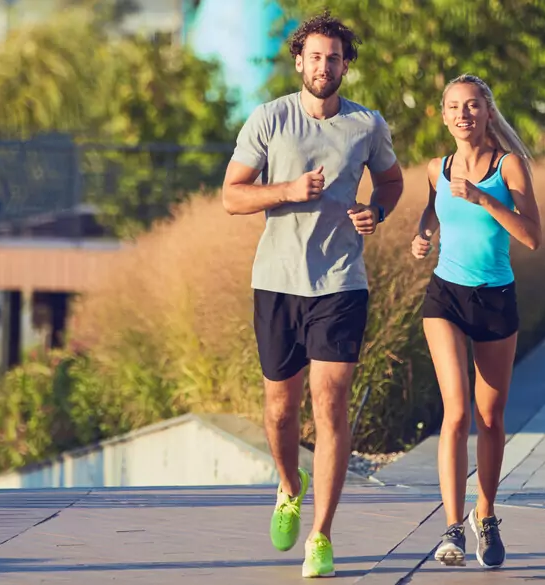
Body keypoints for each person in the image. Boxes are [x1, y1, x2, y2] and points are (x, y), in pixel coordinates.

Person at [221, 10, 404, 579]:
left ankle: (321, 536)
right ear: (300, 61)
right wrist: (287, 190)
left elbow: (393, 181)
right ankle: (287, 486)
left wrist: (376, 209)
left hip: (341, 284)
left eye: (335, 57)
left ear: (346, 65)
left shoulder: (366, 125)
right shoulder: (269, 119)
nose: (325, 66)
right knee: (280, 410)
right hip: (276, 282)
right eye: (316, 57)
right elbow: (232, 195)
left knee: (330, 403)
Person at [411, 74, 541, 570]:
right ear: (443, 116)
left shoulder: (511, 167)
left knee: (490, 418)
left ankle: (485, 516)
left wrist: (485, 199)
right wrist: (423, 235)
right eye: (453, 107)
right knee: (458, 412)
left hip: (496, 299)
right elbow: (432, 210)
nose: (463, 114)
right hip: (445, 296)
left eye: (472, 106)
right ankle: (452, 527)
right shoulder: (435, 167)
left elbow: (533, 237)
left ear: (487, 113)